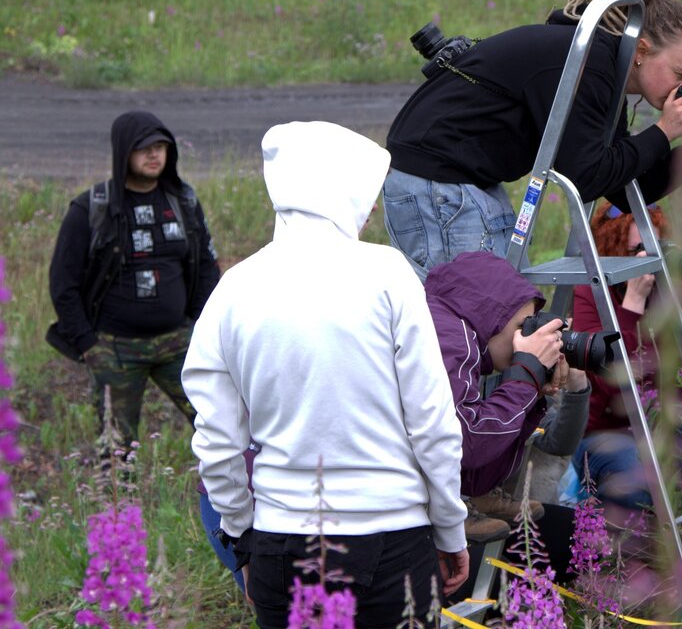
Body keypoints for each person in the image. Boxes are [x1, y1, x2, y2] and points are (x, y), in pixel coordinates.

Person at [182, 121, 468, 628]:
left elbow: (217, 442)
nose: (374, 207)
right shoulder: (388, 274)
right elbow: (432, 422)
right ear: (341, 191)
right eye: (367, 191)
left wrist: (242, 539)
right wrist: (450, 529)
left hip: (281, 542)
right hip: (394, 541)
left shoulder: (233, 289)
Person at [383, 0, 682, 277]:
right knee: (472, 322)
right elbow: (587, 176)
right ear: (642, 49)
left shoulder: (600, 68)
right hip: (439, 183)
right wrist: (664, 130)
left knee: (494, 318)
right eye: (681, 75)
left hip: (459, 182)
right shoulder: (588, 62)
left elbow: (624, 188)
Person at [47, 110, 220, 450]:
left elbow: (206, 266)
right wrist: (87, 344)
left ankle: (225, 498)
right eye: (144, 148)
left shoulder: (183, 201)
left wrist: (199, 324)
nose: (154, 154)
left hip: (179, 344)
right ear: (123, 151)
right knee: (117, 451)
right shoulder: (90, 209)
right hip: (114, 349)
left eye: (160, 146)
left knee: (220, 428)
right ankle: (119, 504)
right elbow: (62, 283)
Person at [424, 250, 590, 583]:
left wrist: (531, 393)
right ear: (489, 315)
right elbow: (467, 445)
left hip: (422, 509)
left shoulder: (464, 339)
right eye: (520, 327)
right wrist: (524, 376)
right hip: (392, 532)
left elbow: (476, 478)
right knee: (533, 568)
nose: (522, 341)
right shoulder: (452, 339)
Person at [570, 202, 682, 513]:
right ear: (612, 250)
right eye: (638, 251)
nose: (650, 263)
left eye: (658, 249)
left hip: (666, 420)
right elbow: (605, 389)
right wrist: (632, 304)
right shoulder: (588, 293)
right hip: (608, 430)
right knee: (638, 480)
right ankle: (609, 533)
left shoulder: (671, 287)